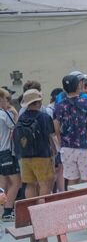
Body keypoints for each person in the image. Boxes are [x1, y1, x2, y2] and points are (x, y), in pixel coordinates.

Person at [54, 72, 87, 186]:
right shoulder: (86, 103)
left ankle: (72, 202)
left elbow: (57, 128)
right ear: (78, 86)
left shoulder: (58, 106)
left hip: (67, 147)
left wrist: (61, 143)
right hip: (84, 145)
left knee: (72, 179)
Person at [15, 89, 57, 198]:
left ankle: (31, 209)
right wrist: (54, 149)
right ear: (38, 102)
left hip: (25, 156)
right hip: (42, 155)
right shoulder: (44, 117)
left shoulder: (21, 118)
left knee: (30, 184)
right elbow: (51, 135)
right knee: (44, 183)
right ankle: (42, 209)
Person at [0, 88, 21, 218]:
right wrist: (14, 113)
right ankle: (8, 210)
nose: (8, 102)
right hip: (6, 151)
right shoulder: (3, 114)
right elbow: (16, 126)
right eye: (7, 99)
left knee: (3, 183)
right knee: (16, 181)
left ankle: (2, 210)